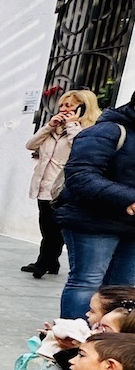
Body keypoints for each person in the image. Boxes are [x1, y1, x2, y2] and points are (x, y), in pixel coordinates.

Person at [57, 94, 135, 319]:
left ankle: (108, 344)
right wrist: (127, 197)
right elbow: (80, 175)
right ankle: (72, 343)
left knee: (124, 291)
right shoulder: (107, 131)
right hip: (93, 221)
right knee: (86, 282)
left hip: (131, 226)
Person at [24, 90, 101, 279]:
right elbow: (31, 145)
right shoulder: (54, 129)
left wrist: (72, 125)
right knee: (46, 227)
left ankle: (43, 263)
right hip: (43, 184)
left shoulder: (88, 130)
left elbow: (82, 148)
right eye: (62, 106)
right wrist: (49, 127)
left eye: (69, 106)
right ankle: (52, 262)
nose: (64, 110)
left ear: (83, 107)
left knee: (54, 228)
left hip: (63, 188)